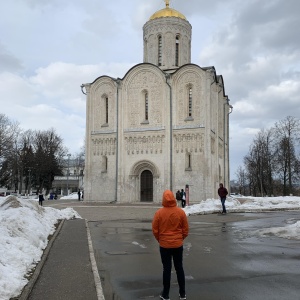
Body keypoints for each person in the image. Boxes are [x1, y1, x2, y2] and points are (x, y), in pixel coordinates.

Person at [152, 190, 189, 300]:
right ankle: (182, 294)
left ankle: (166, 294)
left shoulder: (159, 213)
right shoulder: (180, 212)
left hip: (164, 246)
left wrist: (161, 240)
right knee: (179, 268)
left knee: (166, 269)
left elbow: (155, 230)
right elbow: (186, 229)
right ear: (173, 198)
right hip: (178, 245)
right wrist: (180, 238)